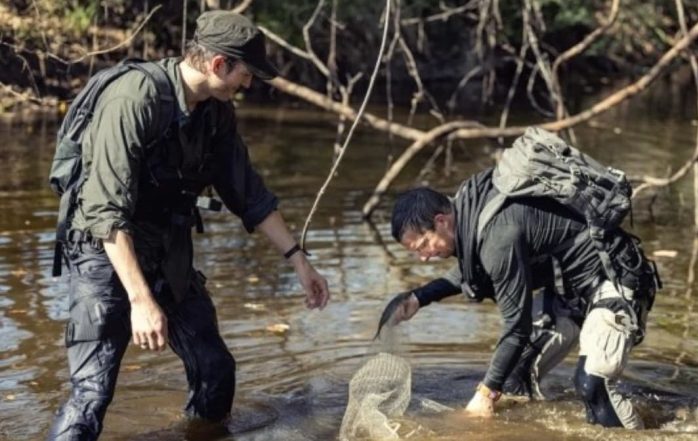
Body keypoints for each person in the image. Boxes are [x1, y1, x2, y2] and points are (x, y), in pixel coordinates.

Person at [47, 11, 330, 440]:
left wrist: (299, 261)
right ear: (219, 65)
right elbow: (104, 214)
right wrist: (140, 300)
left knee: (216, 369)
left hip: (167, 248)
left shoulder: (216, 114)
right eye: (246, 74)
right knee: (92, 394)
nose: (248, 85)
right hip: (104, 251)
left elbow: (248, 194)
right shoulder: (133, 100)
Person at [387, 166, 659, 429]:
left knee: (592, 385)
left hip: (615, 281)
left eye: (423, 245)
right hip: (571, 291)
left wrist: (485, 394)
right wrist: (418, 298)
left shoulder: (497, 234)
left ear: (440, 221)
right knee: (511, 374)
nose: (423, 256)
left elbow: (517, 327)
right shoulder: (472, 208)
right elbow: (478, 267)